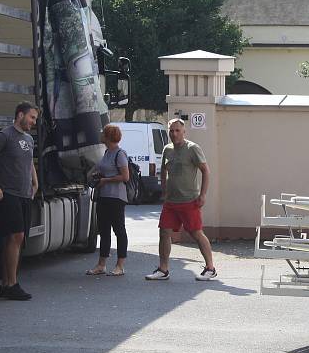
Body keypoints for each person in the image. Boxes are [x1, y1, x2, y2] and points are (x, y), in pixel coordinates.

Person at [0, 102, 39, 301]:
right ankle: (12, 284)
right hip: (9, 193)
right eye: (31, 117)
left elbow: (29, 161)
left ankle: (6, 284)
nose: (33, 121)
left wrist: (35, 180)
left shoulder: (29, 139)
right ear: (20, 115)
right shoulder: (5, 135)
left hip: (24, 194)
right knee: (16, 236)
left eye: (35, 119)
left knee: (16, 240)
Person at [145, 118, 217, 282]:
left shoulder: (192, 149)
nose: (174, 134)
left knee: (196, 233)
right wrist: (164, 191)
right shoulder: (167, 149)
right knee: (164, 232)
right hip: (171, 201)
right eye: (171, 130)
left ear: (184, 132)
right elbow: (163, 170)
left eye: (177, 130)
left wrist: (203, 195)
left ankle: (210, 268)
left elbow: (205, 171)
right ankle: (163, 269)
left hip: (189, 200)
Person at [86, 124, 130, 277]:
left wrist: (106, 180)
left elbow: (125, 177)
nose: (100, 135)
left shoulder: (120, 154)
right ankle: (101, 265)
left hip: (116, 198)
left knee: (119, 230)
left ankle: (120, 265)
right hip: (103, 196)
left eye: (103, 133)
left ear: (108, 137)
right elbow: (100, 168)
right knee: (104, 231)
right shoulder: (107, 152)